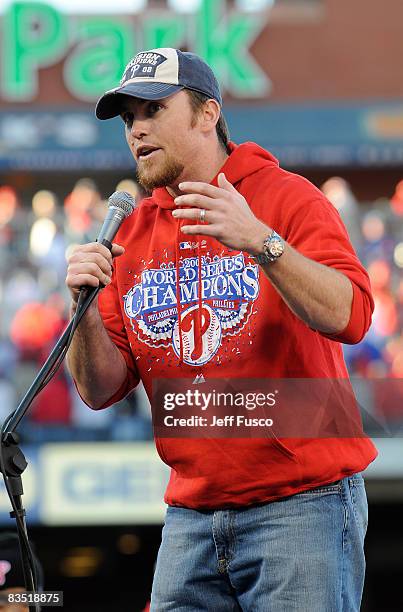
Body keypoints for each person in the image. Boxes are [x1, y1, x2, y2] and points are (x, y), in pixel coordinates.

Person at [66, 47, 377, 611]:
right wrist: (83, 312)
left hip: (301, 506)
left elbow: (352, 314)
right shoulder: (131, 235)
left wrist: (259, 240)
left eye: (153, 110)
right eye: (128, 118)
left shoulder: (286, 197)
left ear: (207, 114)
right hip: (190, 517)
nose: (136, 130)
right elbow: (100, 389)